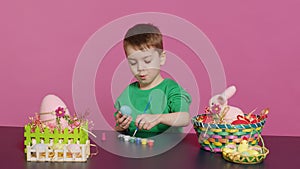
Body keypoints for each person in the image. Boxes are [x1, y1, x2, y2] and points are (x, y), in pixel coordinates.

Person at [114, 23, 191, 138]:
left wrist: (159, 118)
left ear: (161, 58)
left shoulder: (171, 89)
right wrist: (121, 127)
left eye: (147, 60)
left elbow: (185, 118)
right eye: (133, 62)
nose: (140, 68)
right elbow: (117, 131)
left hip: (168, 153)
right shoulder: (128, 93)